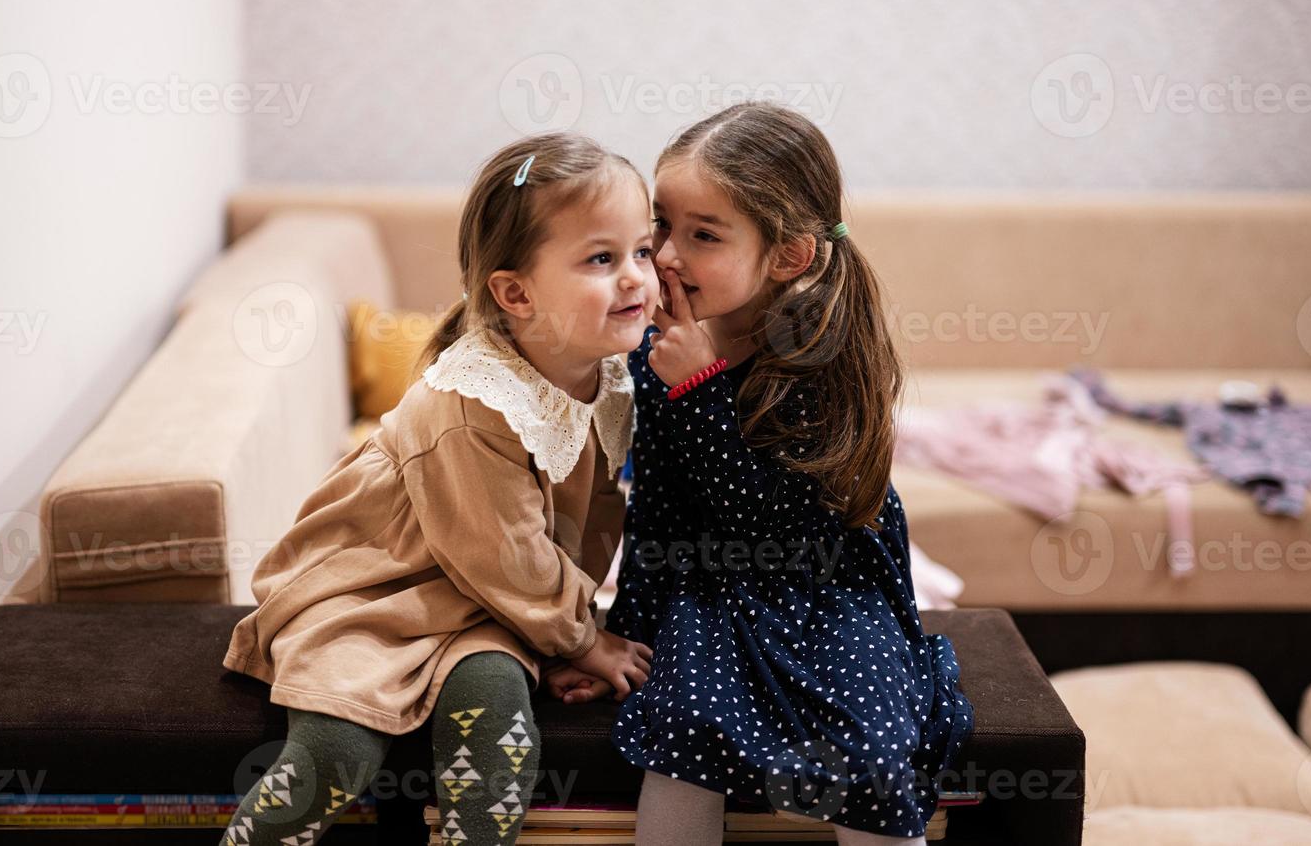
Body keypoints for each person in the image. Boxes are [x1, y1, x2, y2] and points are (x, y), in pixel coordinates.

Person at [545, 103, 975, 845]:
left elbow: (776, 519)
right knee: (680, 731)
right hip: (716, 583)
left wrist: (702, 387)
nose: (667, 257)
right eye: (663, 227)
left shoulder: (826, 353)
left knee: (875, 743)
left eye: (703, 236)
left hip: (831, 581)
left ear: (790, 256)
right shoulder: (660, 352)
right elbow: (663, 508)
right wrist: (623, 636)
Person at [219, 131, 657, 846]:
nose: (638, 277)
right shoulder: (472, 404)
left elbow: (587, 522)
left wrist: (559, 642)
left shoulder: (606, 371)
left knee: (500, 740)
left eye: (642, 250)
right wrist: (584, 638)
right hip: (379, 589)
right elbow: (505, 551)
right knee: (337, 751)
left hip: (489, 608)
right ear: (515, 293)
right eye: (602, 259)